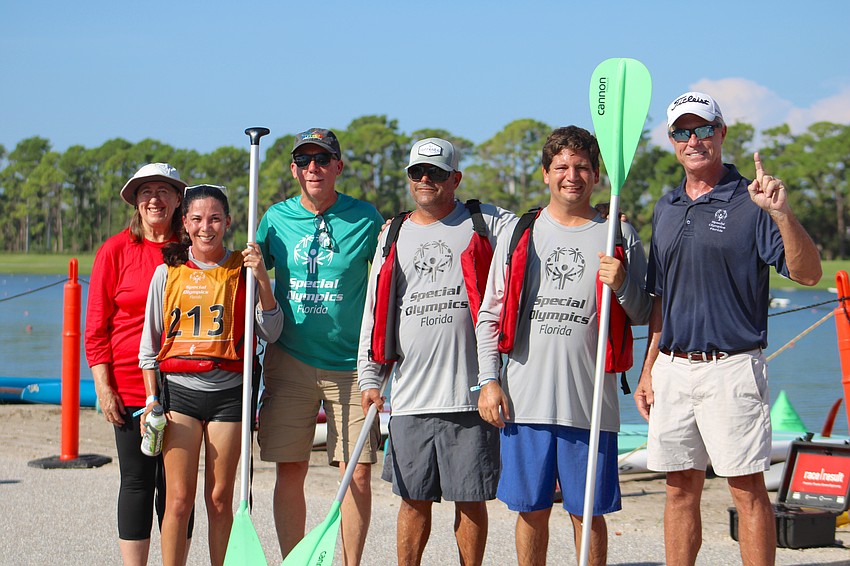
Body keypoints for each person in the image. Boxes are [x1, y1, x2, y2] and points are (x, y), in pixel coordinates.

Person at [633, 92, 822, 566]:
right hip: (674, 368)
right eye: (682, 131)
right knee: (679, 488)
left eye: (703, 129)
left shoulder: (752, 200)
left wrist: (781, 213)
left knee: (746, 490)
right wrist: (649, 368)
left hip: (732, 368)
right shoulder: (666, 206)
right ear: (672, 140)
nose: (693, 140)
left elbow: (808, 275)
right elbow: (661, 299)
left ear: (721, 133)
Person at [476, 126, 652, 566]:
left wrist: (623, 283)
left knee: (587, 513)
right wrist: (488, 381)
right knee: (530, 510)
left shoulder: (618, 234)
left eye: (582, 167)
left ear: (597, 176)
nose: (571, 176)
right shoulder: (520, 232)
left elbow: (645, 313)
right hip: (525, 403)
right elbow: (489, 314)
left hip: (590, 406)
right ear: (545, 173)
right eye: (562, 167)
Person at [358, 138, 514, 565]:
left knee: (471, 500)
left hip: (470, 396)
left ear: (455, 178)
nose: (425, 179)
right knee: (412, 501)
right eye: (417, 172)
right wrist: (370, 379)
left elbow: (544, 227)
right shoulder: (392, 233)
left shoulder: (486, 222)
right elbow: (373, 310)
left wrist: (596, 218)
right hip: (410, 398)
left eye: (436, 173)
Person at [256, 128, 384, 565]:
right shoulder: (276, 219)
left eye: (323, 159)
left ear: (338, 167)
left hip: (352, 365)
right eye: (304, 160)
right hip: (290, 359)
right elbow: (250, 280)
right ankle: (295, 561)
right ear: (294, 170)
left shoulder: (365, 218)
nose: (313, 167)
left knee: (357, 473)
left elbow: (390, 281)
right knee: (291, 468)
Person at [138, 184, 282, 566]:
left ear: (228, 222)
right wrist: (151, 400)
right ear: (185, 223)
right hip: (180, 395)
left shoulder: (244, 271)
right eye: (198, 219)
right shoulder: (166, 274)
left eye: (215, 219)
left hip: (229, 395)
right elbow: (148, 350)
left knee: (219, 499)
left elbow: (272, 331)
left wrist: (262, 279)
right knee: (178, 499)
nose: (207, 228)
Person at [85, 162, 194, 565]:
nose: (154, 199)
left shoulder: (193, 249)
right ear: (135, 201)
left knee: (177, 489)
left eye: (164, 190)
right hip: (130, 386)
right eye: (146, 191)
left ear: (178, 198)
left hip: (186, 385)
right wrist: (103, 386)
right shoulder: (115, 251)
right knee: (136, 481)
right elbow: (96, 328)